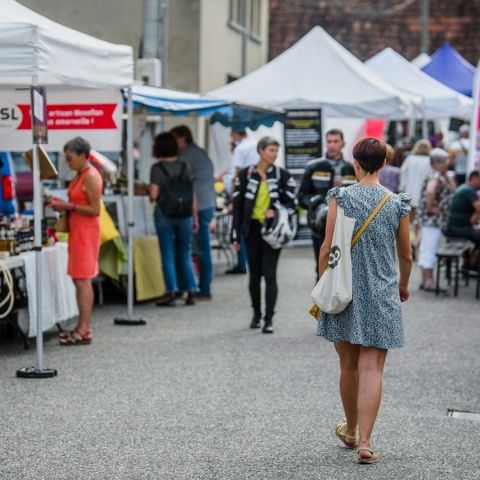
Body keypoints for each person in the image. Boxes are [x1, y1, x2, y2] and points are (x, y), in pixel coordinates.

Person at [317, 137, 412, 464]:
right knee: (372, 367)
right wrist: (404, 285)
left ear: (354, 163)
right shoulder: (396, 203)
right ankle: (367, 443)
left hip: (345, 291)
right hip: (383, 291)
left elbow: (327, 247)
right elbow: (407, 254)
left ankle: (351, 429)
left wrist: (323, 281)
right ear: (384, 163)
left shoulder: (340, 197)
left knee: (348, 364)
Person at [231, 137, 296, 334]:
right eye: (270, 150)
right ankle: (256, 314)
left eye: (276, 151)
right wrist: (234, 236)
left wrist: (276, 210)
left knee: (270, 275)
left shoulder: (283, 175)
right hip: (251, 230)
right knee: (254, 276)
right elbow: (238, 207)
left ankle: (269, 319)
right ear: (260, 151)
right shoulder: (245, 175)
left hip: (272, 232)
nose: (274, 154)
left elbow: (292, 203)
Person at [50, 137, 103, 346]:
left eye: (70, 158)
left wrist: (68, 207)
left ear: (83, 156)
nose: (68, 163)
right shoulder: (79, 175)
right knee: (78, 279)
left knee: (83, 279)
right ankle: (82, 326)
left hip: (86, 232)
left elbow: (95, 210)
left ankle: (84, 329)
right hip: (78, 231)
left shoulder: (90, 177)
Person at [150, 132, 198, 307]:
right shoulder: (185, 165)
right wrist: (195, 217)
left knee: (167, 254)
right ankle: (192, 289)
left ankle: (171, 290)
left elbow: (154, 194)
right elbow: (192, 194)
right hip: (185, 214)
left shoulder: (157, 168)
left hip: (165, 214)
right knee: (185, 253)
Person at [171, 125, 216, 300]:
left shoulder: (186, 157)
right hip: (207, 204)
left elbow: (184, 185)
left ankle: (203, 289)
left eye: (175, 139)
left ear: (182, 139)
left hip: (198, 206)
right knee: (201, 248)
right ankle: (201, 287)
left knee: (199, 249)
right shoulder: (200, 153)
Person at [297, 129, 349, 280]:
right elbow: (302, 197)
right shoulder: (314, 166)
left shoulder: (351, 168)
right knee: (322, 266)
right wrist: (317, 204)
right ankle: (320, 300)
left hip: (345, 225)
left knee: (343, 269)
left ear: (343, 143)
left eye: (336, 141)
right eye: (329, 142)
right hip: (320, 225)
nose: (332, 145)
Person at [417, 149, 456, 291]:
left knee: (427, 248)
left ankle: (425, 280)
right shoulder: (435, 175)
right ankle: (429, 281)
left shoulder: (441, 175)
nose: (448, 162)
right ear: (437, 163)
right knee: (430, 249)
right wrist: (430, 208)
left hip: (432, 221)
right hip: (433, 220)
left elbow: (453, 190)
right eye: (446, 160)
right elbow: (430, 191)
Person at [226, 129, 259, 275]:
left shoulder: (240, 148)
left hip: (243, 194)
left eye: (231, 136)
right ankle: (251, 261)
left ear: (236, 134)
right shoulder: (256, 144)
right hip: (256, 193)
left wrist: (233, 199)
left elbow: (237, 176)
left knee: (239, 228)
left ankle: (241, 263)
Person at [444, 170, 480, 246]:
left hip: (452, 228)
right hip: (457, 229)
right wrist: (476, 213)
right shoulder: (468, 190)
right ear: (474, 178)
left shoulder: (464, 188)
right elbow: (478, 208)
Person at [399, 139, 432, 210]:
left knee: (409, 212)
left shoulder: (410, 158)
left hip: (409, 189)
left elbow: (403, 172)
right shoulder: (430, 160)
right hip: (423, 192)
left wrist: (402, 186)